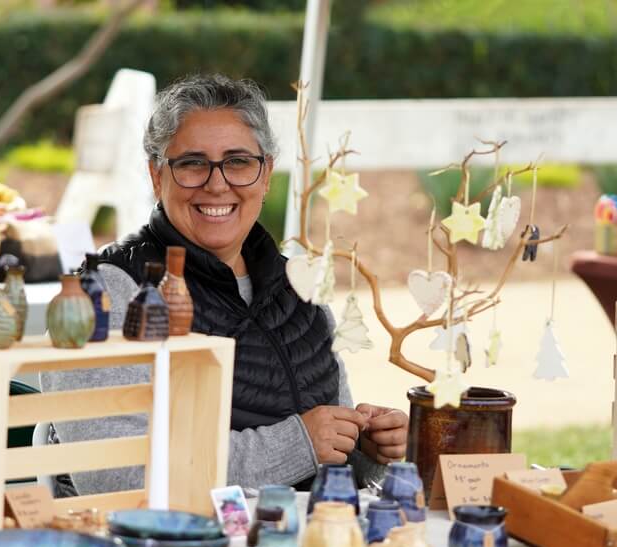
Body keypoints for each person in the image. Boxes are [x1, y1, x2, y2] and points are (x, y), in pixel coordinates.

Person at [41, 73, 406, 495]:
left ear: (266, 173)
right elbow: (111, 475)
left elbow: (328, 459)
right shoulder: (105, 296)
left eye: (238, 162)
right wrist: (298, 445)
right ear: (157, 175)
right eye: (192, 163)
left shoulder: (302, 292)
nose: (217, 184)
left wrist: (366, 448)